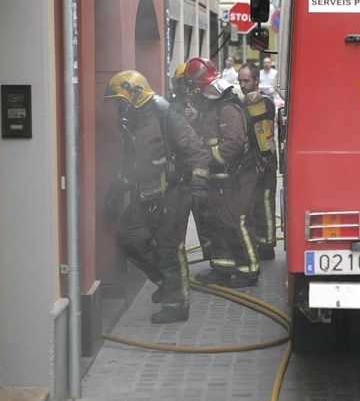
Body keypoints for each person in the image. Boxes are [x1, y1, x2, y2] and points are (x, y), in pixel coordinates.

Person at [104, 70, 209, 323]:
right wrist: (119, 188)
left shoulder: (167, 119)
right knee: (128, 239)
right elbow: (132, 164)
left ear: (135, 96)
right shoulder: (131, 126)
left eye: (121, 101)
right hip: (145, 197)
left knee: (170, 250)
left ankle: (177, 305)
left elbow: (198, 153)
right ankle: (164, 282)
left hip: (173, 195)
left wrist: (199, 185)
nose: (118, 108)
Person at [184, 58, 261, 288]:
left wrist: (204, 157)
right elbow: (210, 129)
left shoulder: (227, 107)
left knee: (237, 222)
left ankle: (249, 271)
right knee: (219, 222)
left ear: (204, 86)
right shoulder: (212, 106)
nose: (194, 92)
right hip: (221, 177)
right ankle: (223, 268)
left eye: (196, 87)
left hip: (236, 177)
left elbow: (232, 145)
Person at [168, 62, 213, 261]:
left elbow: (210, 125)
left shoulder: (202, 101)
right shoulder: (173, 105)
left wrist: (197, 116)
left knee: (206, 218)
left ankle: (212, 256)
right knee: (181, 222)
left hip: (200, 167)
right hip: (182, 171)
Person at [238, 63, 278, 260]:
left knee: (265, 203)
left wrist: (264, 160)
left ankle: (268, 245)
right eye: (240, 80)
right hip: (250, 162)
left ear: (256, 81)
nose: (242, 84)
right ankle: (257, 241)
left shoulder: (264, 102)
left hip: (265, 161)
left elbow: (266, 134)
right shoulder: (242, 102)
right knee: (253, 203)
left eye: (246, 81)